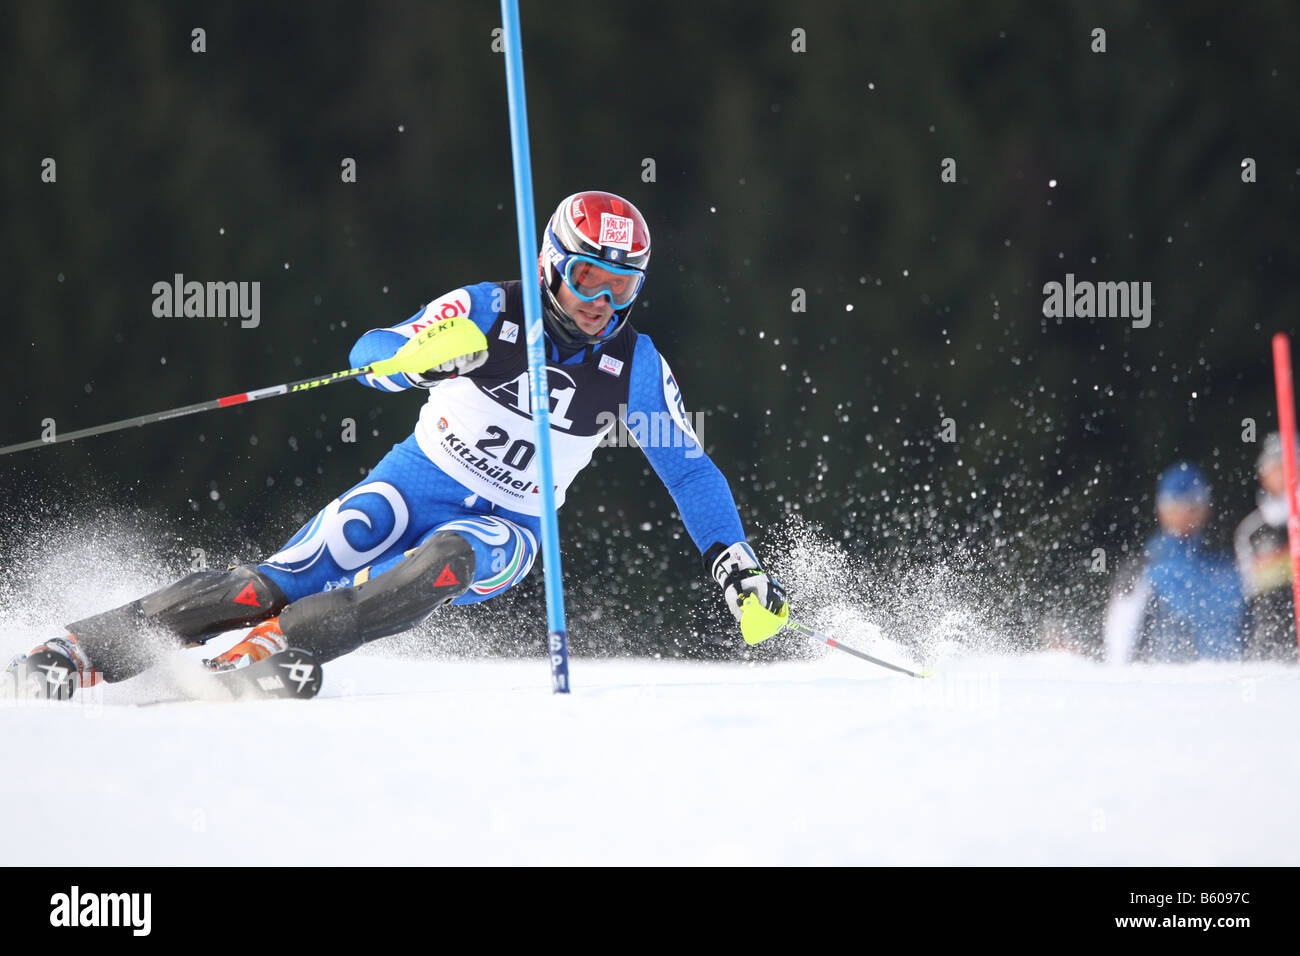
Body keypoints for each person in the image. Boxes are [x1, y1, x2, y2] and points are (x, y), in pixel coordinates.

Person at [6, 191, 790, 698]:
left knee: (447, 558)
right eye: (590, 280)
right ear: (552, 266)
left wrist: (737, 566)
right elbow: (370, 356)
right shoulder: (488, 311)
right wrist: (420, 358)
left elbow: (689, 472)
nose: (603, 305)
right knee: (276, 578)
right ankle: (78, 650)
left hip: (512, 528)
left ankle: (272, 655)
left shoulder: (633, 368)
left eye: (624, 289)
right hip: (413, 480)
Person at [1103, 462, 1244, 663]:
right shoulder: (1143, 566)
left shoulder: (1228, 563)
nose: (1185, 512)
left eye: (1194, 503)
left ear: (1206, 508)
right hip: (1170, 684)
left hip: (1230, 680)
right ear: (1161, 510)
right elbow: (1120, 640)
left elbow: (1254, 622)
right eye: (1176, 504)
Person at [1233, 433, 1299, 661]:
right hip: (1272, 646)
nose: (1284, 474)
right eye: (1276, 467)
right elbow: (1250, 592)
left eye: (1289, 465)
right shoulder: (1251, 531)